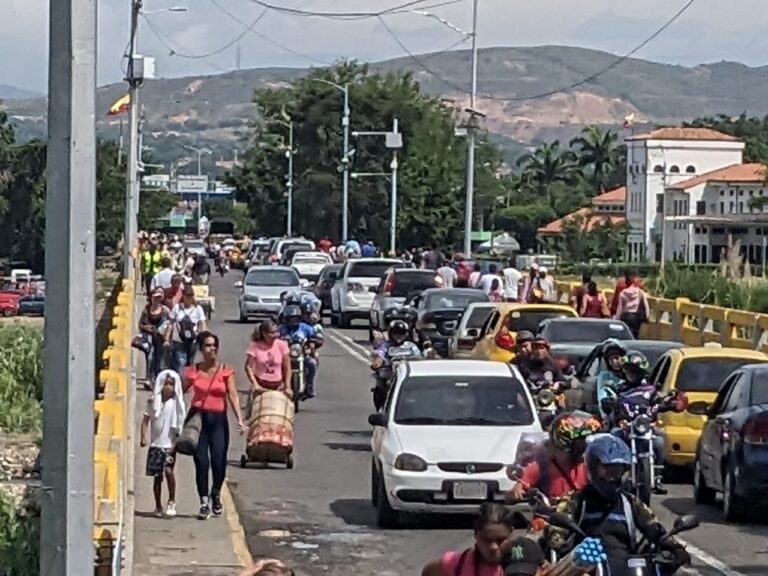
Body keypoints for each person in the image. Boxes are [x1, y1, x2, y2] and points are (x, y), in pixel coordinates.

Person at [546, 435, 691, 576]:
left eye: (617, 471)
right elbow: (557, 530)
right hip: (588, 569)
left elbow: (654, 528)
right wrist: (563, 547)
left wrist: (675, 548)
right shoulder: (577, 500)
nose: (612, 476)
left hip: (625, 569)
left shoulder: (630, 502)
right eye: (607, 470)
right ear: (592, 466)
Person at [182, 331, 246, 519]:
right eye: (208, 346)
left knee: (218, 462)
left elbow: (232, 395)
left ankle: (215, 492)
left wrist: (240, 419)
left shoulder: (226, 370)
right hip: (198, 419)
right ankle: (203, 501)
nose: (212, 349)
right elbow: (180, 391)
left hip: (218, 420)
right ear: (201, 349)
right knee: (201, 462)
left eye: (214, 346)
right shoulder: (193, 371)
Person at [508, 411, 601, 503]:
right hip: (551, 514)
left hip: (582, 513)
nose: (585, 444)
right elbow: (516, 491)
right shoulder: (542, 466)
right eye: (580, 440)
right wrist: (518, 491)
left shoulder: (588, 465)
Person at [421, 503, 515, 576]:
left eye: (500, 540)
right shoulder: (458, 563)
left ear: (511, 534)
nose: (493, 547)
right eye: (486, 540)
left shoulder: (523, 566)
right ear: (476, 535)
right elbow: (429, 571)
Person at [140, 370, 186, 517]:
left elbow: (179, 425)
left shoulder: (176, 405)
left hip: (169, 445)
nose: (168, 387)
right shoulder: (154, 403)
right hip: (155, 444)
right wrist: (143, 437)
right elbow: (146, 419)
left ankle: (171, 500)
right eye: (166, 384)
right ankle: (158, 506)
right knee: (157, 476)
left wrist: (176, 442)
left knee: (168, 471)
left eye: (171, 385)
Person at [608, 351, 665, 467]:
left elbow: (659, 402)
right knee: (614, 435)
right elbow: (614, 405)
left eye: (634, 371)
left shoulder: (650, 389)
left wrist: (668, 403)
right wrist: (610, 404)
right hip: (626, 428)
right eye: (628, 370)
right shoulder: (620, 390)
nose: (631, 374)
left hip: (646, 427)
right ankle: (617, 470)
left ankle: (658, 471)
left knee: (660, 441)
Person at [279, 304, 321, 399]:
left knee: (312, 363)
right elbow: (273, 337)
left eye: (295, 318)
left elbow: (317, 337)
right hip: (285, 355)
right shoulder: (281, 329)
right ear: (286, 319)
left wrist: (315, 340)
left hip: (302, 353)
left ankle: (309, 386)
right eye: (291, 319)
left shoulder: (305, 328)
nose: (293, 321)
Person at [245, 320, 292, 397]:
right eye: (272, 333)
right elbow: (248, 367)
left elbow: (287, 368)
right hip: (261, 386)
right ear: (264, 333)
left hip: (278, 387)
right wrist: (255, 384)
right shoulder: (255, 346)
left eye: (277, 332)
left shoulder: (282, 345)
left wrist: (288, 386)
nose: (276, 335)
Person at [139, 287, 172, 383]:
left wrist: (166, 338)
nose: (157, 299)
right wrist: (147, 328)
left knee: (160, 358)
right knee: (150, 357)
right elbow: (140, 324)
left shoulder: (165, 310)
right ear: (151, 298)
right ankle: (149, 377)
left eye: (159, 297)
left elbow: (169, 324)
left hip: (160, 338)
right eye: (155, 297)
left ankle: (157, 378)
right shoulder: (146, 310)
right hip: (149, 337)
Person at [171, 286, 207, 372]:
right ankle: (181, 382)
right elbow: (171, 322)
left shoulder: (198, 309)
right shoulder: (177, 308)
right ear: (183, 296)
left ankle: (187, 380)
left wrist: (204, 335)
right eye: (187, 295)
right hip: (179, 340)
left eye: (191, 296)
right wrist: (168, 337)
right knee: (180, 362)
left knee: (190, 362)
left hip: (193, 340)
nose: (189, 298)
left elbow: (202, 322)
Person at [596, 339, 627, 421]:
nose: (614, 362)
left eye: (617, 358)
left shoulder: (630, 373)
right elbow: (602, 396)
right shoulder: (604, 376)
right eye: (611, 360)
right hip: (615, 416)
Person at [615, 271, 649, 338]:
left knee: (626, 334)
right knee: (635, 334)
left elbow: (620, 308)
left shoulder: (622, 293)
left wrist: (617, 319)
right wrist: (647, 316)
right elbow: (646, 304)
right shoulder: (639, 291)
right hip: (636, 317)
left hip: (626, 316)